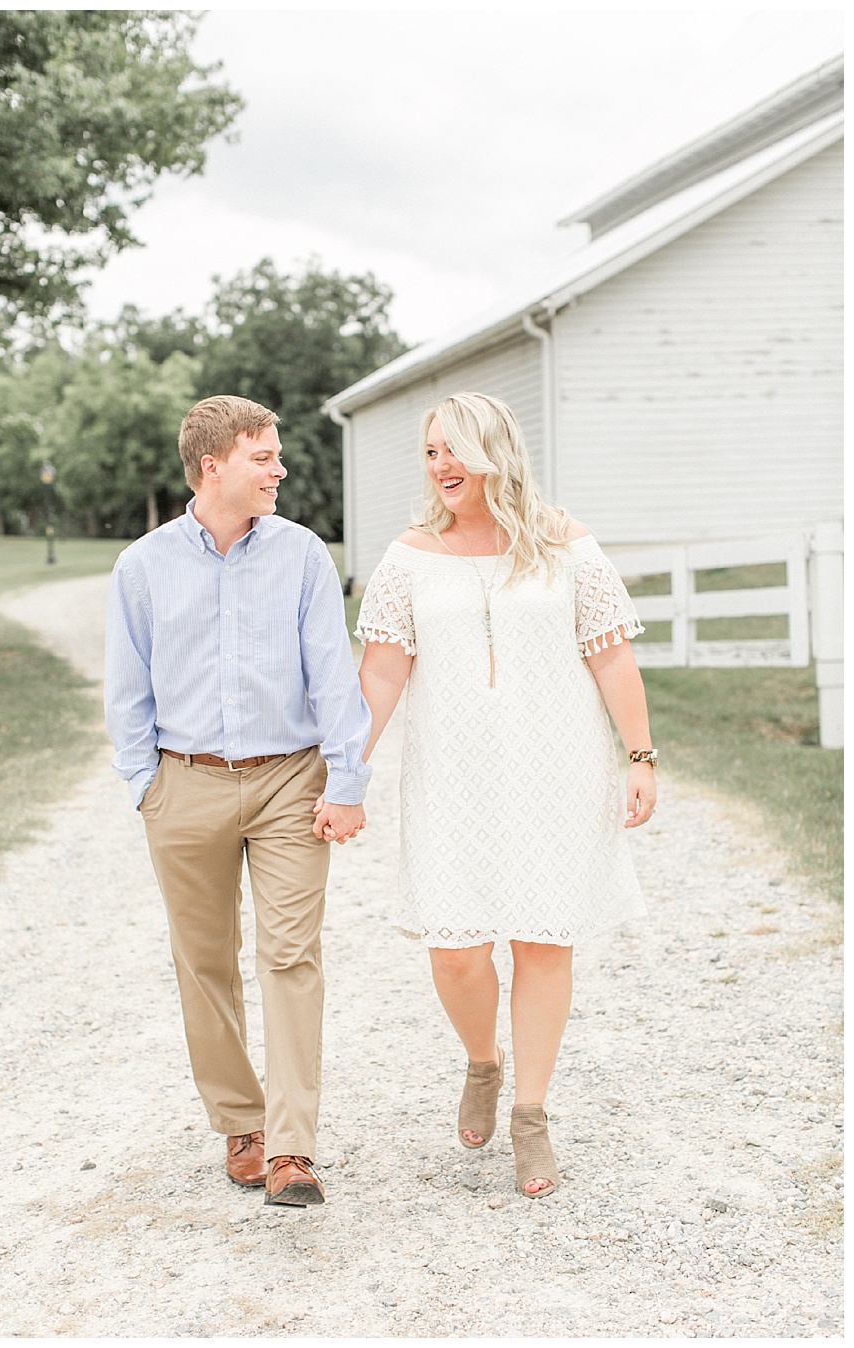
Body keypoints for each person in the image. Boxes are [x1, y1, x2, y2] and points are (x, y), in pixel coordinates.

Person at [346, 391, 653, 1199]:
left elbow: (610, 655)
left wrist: (641, 755)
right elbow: (382, 668)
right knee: (456, 950)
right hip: (451, 775)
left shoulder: (567, 544)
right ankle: (482, 1059)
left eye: (454, 449)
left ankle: (531, 1116)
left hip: (556, 770)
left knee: (544, 941)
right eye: (430, 452)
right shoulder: (410, 554)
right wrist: (348, 767)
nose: (440, 465)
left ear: (494, 450)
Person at [104, 394, 370, 1207]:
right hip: (184, 784)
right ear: (212, 465)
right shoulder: (142, 567)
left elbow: (333, 672)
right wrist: (147, 787)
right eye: (265, 457)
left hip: (291, 780)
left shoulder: (302, 556)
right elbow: (127, 690)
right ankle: (241, 1123)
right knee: (206, 963)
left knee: (291, 957)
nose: (281, 470)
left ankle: (292, 1149)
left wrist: (347, 779)